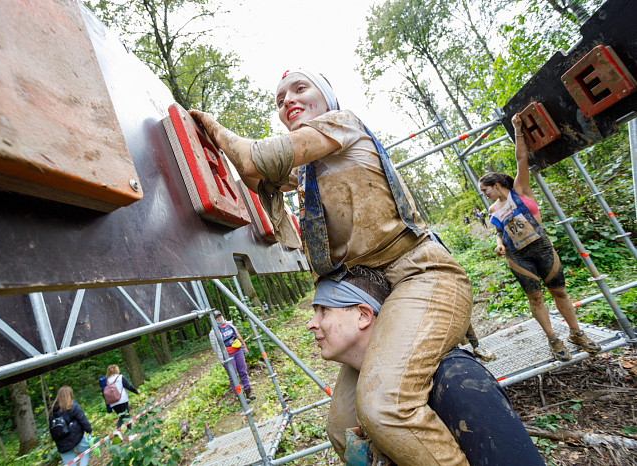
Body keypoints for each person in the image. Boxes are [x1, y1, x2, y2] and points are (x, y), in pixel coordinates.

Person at [191, 69, 472, 464]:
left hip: (420, 273)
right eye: (279, 99)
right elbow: (256, 177)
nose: (287, 99)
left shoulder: (343, 123)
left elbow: (256, 159)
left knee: (385, 408)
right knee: (343, 429)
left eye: (300, 88)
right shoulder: (306, 174)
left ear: (327, 98)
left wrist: (211, 128)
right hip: (373, 297)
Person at [307, 269, 544, 465]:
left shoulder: (455, 380)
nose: (311, 324)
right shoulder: (364, 392)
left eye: (324, 310)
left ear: (363, 315)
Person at [478, 113, 601, 361]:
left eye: (485, 189)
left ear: (496, 184)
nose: (485, 195)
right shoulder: (493, 211)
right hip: (518, 257)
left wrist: (517, 129)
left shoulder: (520, 190)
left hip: (542, 248)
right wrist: (499, 243)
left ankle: (576, 333)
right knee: (535, 298)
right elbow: (499, 230)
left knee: (561, 293)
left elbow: (521, 157)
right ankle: (553, 339)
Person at [209, 310, 256, 401]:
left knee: (243, 371)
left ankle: (248, 392)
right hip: (227, 356)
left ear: (222, 316)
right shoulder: (213, 332)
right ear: (213, 320)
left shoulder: (230, 325)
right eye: (216, 318)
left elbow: (238, 336)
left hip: (238, 351)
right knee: (233, 375)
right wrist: (222, 356)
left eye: (219, 316)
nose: (219, 318)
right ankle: (240, 396)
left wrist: (243, 347)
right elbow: (214, 347)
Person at [50, 386, 92, 466]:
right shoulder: (72, 405)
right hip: (76, 436)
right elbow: (82, 418)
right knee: (85, 452)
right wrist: (89, 430)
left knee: (70, 464)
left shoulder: (52, 411)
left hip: (61, 441)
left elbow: (51, 429)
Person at [105, 364, 140, 434]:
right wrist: (136, 391)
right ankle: (131, 434)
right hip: (122, 399)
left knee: (121, 417)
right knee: (127, 415)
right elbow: (128, 386)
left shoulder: (107, 381)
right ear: (116, 370)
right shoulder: (120, 377)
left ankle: (117, 431)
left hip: (113, 402)